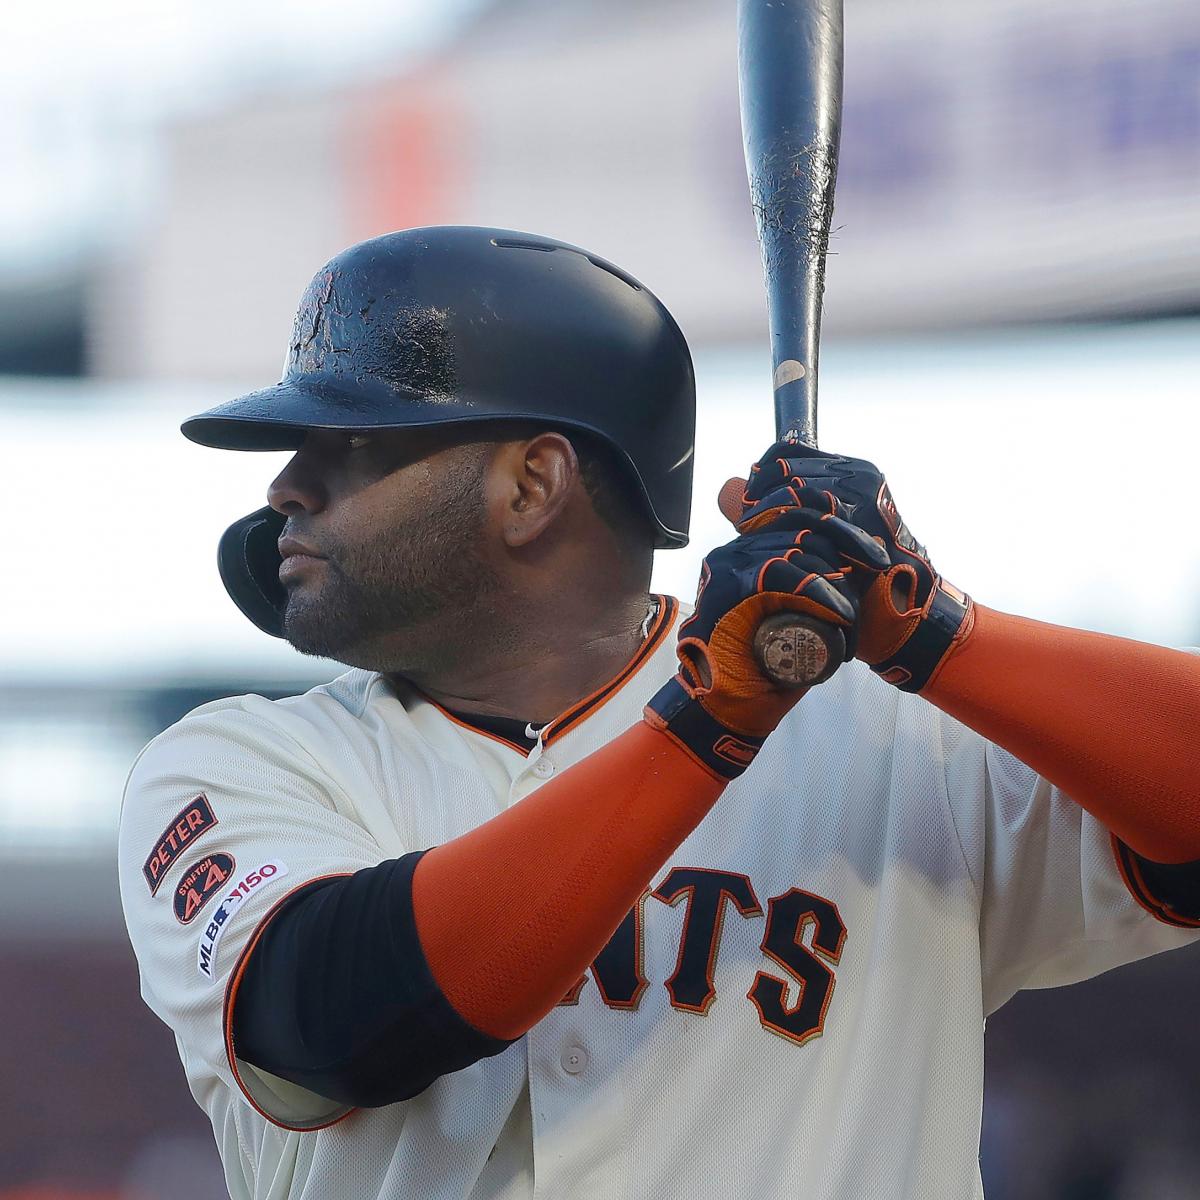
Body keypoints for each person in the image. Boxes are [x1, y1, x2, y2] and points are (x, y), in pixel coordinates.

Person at [119, 227, 1200, 1200]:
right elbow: (345, 1018)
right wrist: (711, 719)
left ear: (531, 485)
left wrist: (931, 631)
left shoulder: (893, 742)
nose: (286, 487)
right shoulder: (246, 763)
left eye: (349, 444)